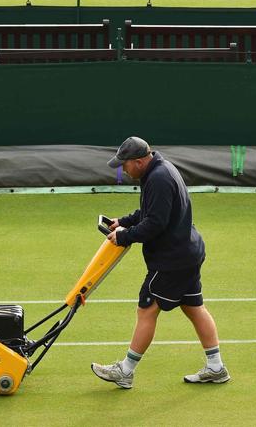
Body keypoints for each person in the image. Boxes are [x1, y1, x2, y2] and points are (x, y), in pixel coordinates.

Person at [91, 136, 229, 388]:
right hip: (188, 252)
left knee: (147, 309)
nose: (123, 169)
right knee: (193, 307)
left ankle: (126, 371)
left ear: (141, 161)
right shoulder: (159, 170)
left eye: (126, 164)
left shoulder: (158, 178)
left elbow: (156, 224)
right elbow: (151, 212)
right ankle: (216, 367)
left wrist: (123, 236)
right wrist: (124, 221)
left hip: (172, 260)